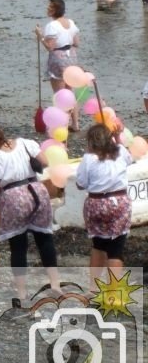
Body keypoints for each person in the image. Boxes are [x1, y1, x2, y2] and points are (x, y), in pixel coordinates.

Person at [0, 116, 61, 306]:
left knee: (18, 246)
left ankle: (22, 293)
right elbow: (44, 161)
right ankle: (56, 284)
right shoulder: (27, 143)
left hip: (13, 197)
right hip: (37, 191)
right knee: (44, 239)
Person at [75, 124, 132, 292]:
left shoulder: (88, 158)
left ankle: (93, 287)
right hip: (119, 201)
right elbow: (129, 159)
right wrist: (118, 138)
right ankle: (113, 291)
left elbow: (81, 184)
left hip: (96, 203)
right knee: (116, 248)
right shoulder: (120, 151)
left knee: (98, 244)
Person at [35, 0, 80, 131]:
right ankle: (75, 123)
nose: (47, 9)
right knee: (70, 92)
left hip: (58, 58)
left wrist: (40, 35)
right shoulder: (71, 23)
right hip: (72, 57)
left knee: (60, 94)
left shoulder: (52, 25)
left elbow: (50, 46)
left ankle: (62, 125)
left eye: (50, 7)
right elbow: (77, 43)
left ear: (55, 10)